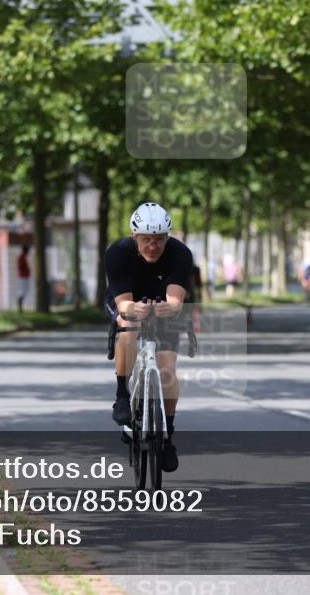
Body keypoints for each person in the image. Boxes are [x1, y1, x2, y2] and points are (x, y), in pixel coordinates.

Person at [105, 202, 192, 473]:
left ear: (168, 237)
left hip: (162, 303)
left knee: (167, 367)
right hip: (128, 301)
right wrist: (132, 310)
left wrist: (173, 307)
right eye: (146, 240)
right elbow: (123, 304)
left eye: (158, 240)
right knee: (127, 325)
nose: (152, 245)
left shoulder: (180, 254)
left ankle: (167, 434)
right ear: (135, 237)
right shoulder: (118, 253)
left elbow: (176, 299)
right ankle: (122, 394)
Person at [16, 245, 30, 313]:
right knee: (22, 291)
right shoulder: (22, 257)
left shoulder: (24, 257)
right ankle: (20, 308)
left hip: (25, 277)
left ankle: (21, 308)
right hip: (23, 277)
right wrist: (26, 269)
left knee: (24, 291)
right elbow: (20, 266)